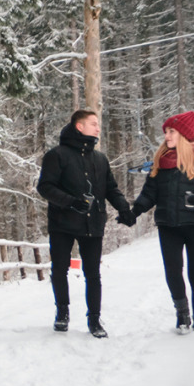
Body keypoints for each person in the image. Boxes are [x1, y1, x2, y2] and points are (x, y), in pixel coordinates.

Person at [122, 111, 194, 333]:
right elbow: (149, 193)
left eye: (171, 131)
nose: (167, 136)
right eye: (166, 132)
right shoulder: (161, 164)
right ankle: (182, 315)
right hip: (168, 225)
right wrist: (134, 212)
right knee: (173, 272)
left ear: (184, 134)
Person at [36, 109, 131, 338]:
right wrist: (70, 202)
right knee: (59, 269)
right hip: (62, 222)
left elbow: (111, 188)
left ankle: (95, 320)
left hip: (93, 222)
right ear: (80, 126)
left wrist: (124, 208)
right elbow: (45, 187)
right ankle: (62, 313)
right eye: (94, 124)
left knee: (93, 273)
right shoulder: (57, 155)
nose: (98, 128)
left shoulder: (100, 158)